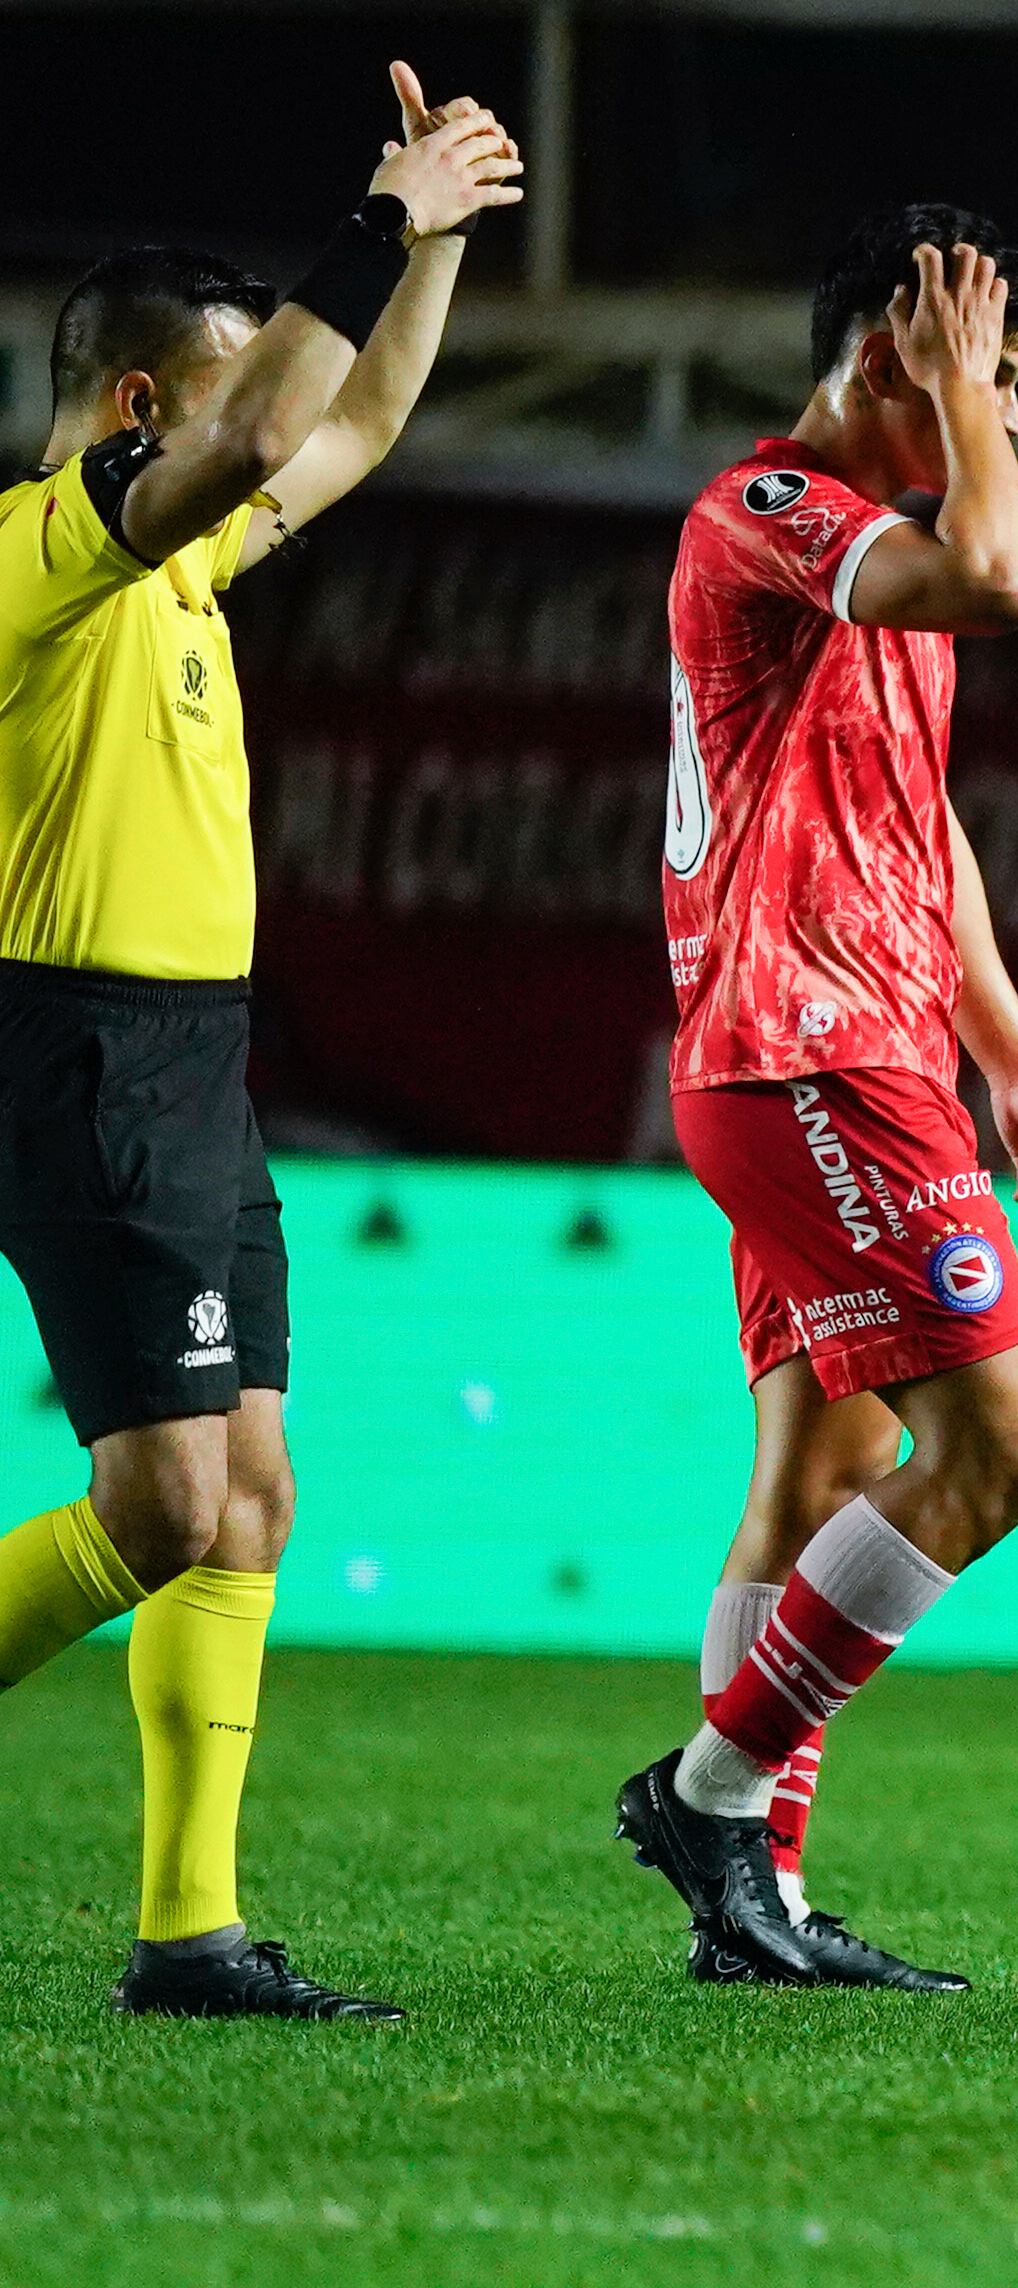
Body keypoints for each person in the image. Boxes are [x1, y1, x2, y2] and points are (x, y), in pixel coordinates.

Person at [0, 64, 518, 2021]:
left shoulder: (185, 560)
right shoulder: (41, 557)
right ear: (146, 413)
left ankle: (188, 1929)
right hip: (79, 1052)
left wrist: (438, 248)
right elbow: (273, 426)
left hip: (193, 1065)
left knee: (255, 1492)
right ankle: (184, 1930)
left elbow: (359, 417)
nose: (260, 441)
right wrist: (373, 217)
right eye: (225, 408)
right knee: (162, 1509)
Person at [618, 206, 1018, 1990]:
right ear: (898, 358)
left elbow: (923, 831)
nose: (1015, 421)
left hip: (846, 1052)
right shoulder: (764, 516)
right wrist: (968, 397)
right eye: (1002, 379)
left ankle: (758, 1911)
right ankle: (713, 1796)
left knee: (820, 1466)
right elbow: (1006, 576)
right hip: (806, 1048)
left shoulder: (870, 566)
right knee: (1001, 1453)